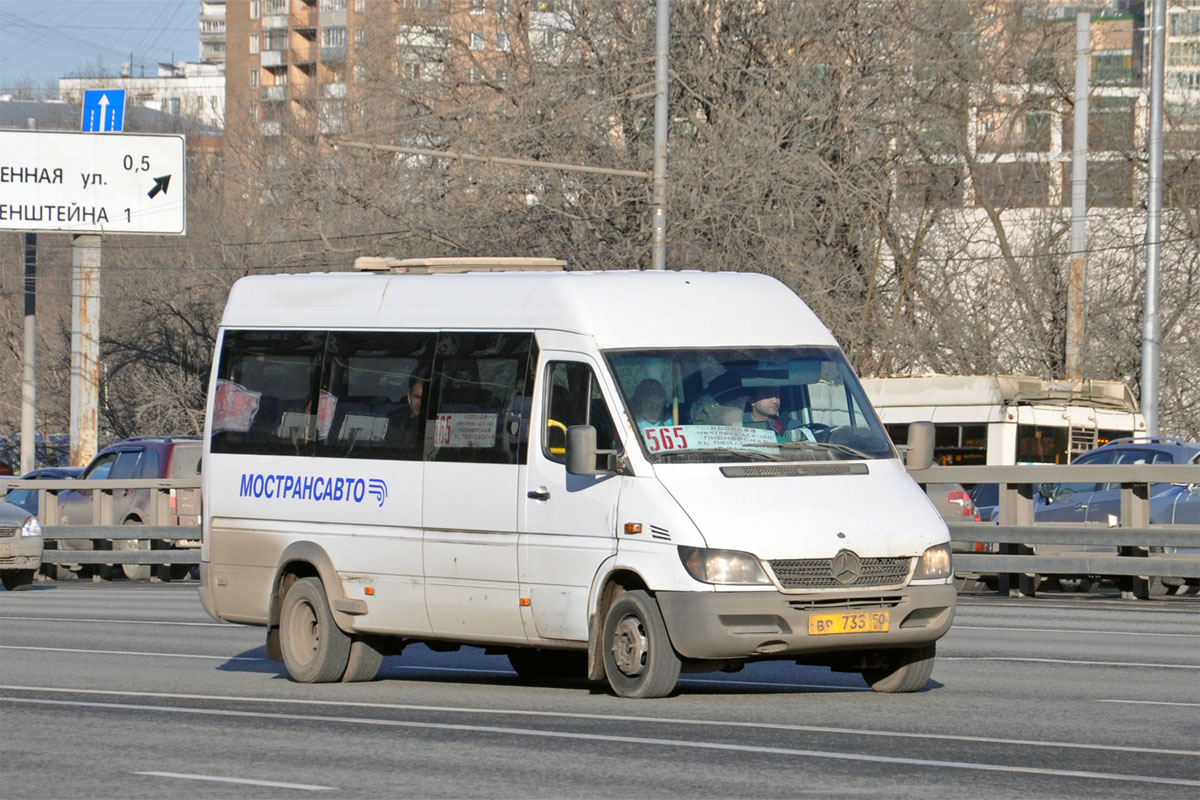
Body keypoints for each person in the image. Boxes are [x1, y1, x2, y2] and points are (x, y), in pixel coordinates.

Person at [742, 386, 814, 442]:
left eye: (777, 394)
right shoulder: (737, 424)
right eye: (768, 395)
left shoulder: (790, 426)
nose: (775, 401)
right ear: (752, 401)